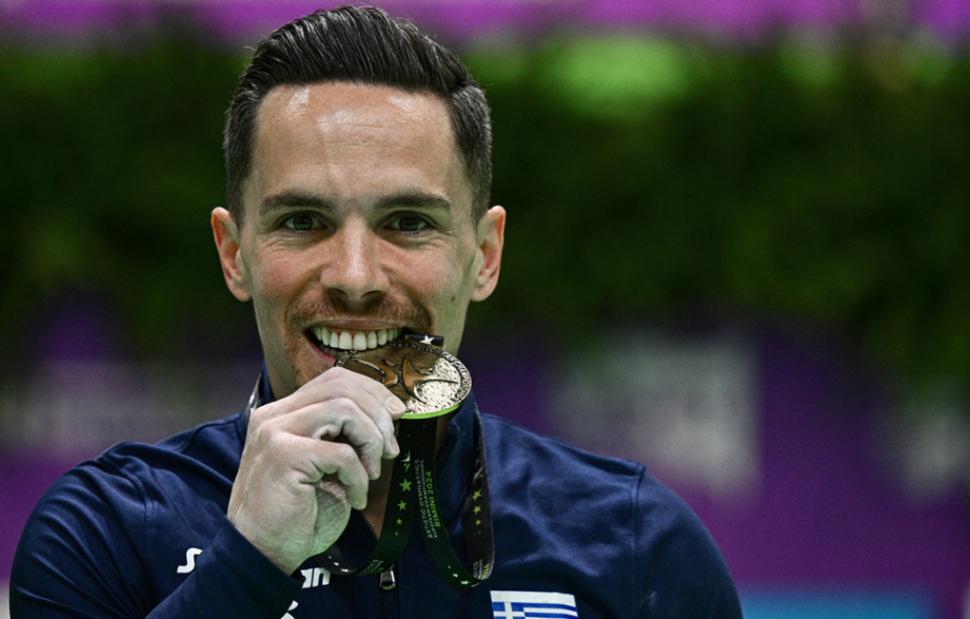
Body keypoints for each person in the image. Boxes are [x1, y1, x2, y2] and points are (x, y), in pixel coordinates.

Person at [11, 6, 742, 618]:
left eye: (408, 222)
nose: (356, 278)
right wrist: (249, 562)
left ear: (484, 255)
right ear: (234, 254)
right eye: (303, 221)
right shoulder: (108, 531)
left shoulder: (637, 543)